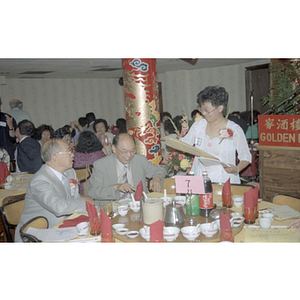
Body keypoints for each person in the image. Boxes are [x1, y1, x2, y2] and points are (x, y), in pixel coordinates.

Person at [14, 139, 95, 242]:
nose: (73, 154)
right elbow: (59, 207)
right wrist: (85, 201)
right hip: (38, 235)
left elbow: (75, 199)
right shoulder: (40, 181)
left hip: (64, 227)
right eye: (69, 151)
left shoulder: (70, 172)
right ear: (55, 158)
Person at [180, 86, 251, 184]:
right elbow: (184, 144)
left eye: (207, 110)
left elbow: (246, 157)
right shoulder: (198, 126)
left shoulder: (234, 129)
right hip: (200, 180)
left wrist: (237, 169)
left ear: (220, 108)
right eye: (201, 109)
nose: (204, 113)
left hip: (224, 181)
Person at [88, 133, 167, 200]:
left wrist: (157, 178)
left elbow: (160, 170)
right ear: (114, 149)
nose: (129, 155)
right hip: (112, 207)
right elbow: (92, 192)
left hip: (137, 205)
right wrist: (116, 187)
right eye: (124, 151)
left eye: (132, 151)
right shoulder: (101, 165)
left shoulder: (139, 160)